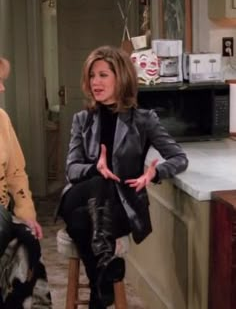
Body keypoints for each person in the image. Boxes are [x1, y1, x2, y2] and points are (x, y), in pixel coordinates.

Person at [57, 45, 188, 309]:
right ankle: (105, 271)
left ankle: (99, 286)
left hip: (120, 207)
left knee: (83, 219)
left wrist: (154, 173)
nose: (95, 82)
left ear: (121, 77)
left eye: (103, 75)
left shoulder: (143, 120)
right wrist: (96, 168)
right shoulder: (82, 119)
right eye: (92, 75)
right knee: (100, 181)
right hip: (80, 194)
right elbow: (71, 170)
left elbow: (179, 158)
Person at [0, 57, 52, 308]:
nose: (2, 88)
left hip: (2, 216)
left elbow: (16, 174)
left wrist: (26, 214)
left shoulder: (2, 120)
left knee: (30, 241)